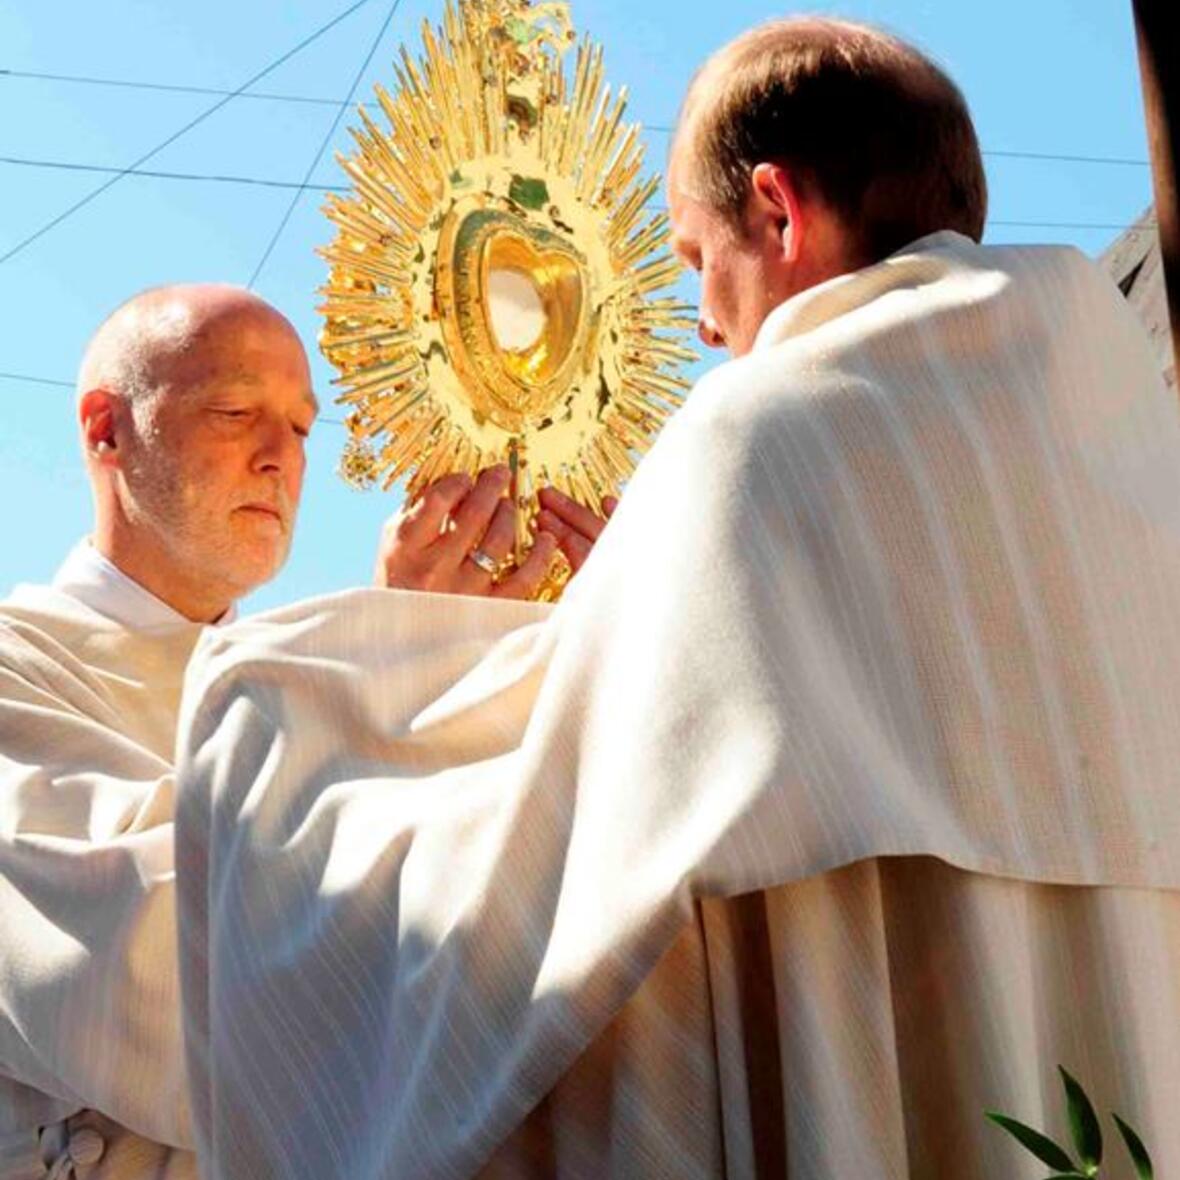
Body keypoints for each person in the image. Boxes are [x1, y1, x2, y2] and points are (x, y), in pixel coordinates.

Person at [173, 15, 1180, 1180]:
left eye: (700, 261)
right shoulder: (1141, 453)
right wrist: (630, 602)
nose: (701, 324)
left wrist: (283, 700)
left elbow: (555, 905)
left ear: (777, 209)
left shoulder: (760, 438)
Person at [0, 283, 603, 1177]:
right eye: (236, 411)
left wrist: (564, 683)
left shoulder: (286, 679)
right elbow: (144, 975)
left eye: (302, 427)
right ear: (106, 430)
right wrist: (385, 675)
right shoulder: (20, 672)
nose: (281, 457)